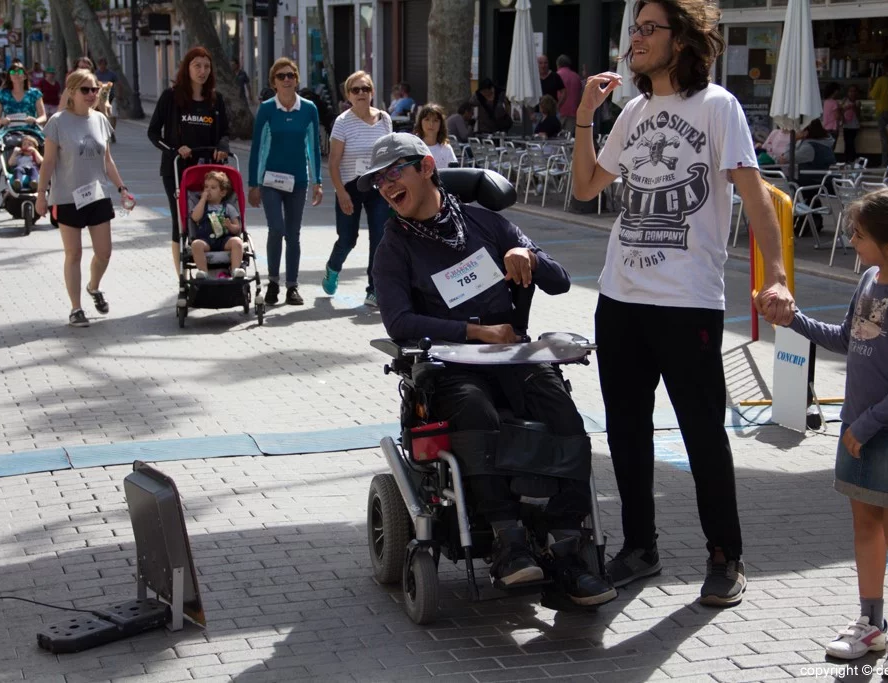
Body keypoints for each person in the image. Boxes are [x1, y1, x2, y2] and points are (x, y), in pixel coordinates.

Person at [570, 0, 795, 606]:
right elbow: (586, 186)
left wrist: (776, 278)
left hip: (688, 302)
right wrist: (587, 116)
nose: (636, 38)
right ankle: (639, 548)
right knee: (626, 432)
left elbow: (758, 199)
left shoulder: (717, 106)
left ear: (682, 39)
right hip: (619, 298)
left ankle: (726, 555)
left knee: (702, 434)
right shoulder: (635, 110)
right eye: (634, 29)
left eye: (648, 28)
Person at [366, 132, 617, 607]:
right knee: (474, 408)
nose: (384, 185)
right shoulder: (394, 246)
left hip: (512, 358)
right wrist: (475, 333)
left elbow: (560, 281)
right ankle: (509, 543)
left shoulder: (484, 222)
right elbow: (398, 322)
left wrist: (530, 256)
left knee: (563, 415)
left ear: (424, 166)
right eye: (377, 180)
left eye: (393, 172)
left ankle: (568, 549)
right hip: (448, 366)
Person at [780, 188, 888, 680]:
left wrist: (868, 424)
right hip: (859, 431)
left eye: (859, 234)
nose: (851, 241)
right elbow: (849, 339)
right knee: (865, 526)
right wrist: (794, 321)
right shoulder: (870, 279)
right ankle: (870, 623)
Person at [35, 69, 130, 328]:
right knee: (73, 253)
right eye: (85, 90)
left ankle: (93, 286)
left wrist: (122, 188)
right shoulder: (57, 122)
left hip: (97, 195)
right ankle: (76, 309)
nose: (91, 94)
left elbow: (107, 160)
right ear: (72, 92)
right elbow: (49, 162)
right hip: (66, 196)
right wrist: (41, 195)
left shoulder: (100, 119)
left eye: (94, 90)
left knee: (104, 253)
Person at [148, 47, 230, 275]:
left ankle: (215, 268)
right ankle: (182, 277)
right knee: (181, 223)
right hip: (176, 170)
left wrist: (223, 147)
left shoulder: (216, 100)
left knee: (212, 217)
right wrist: (175, 149)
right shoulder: (171, 97)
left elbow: (224, 132)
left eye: (206, 66)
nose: (202, 71)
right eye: (197, 66)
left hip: (208, 172)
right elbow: (153, 133)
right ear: (187, 68)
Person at [248, 57, 323, 306]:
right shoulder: (267, 109)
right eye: (281, 76)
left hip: (298, 181)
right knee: (276, 229)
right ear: (274, 82)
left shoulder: (309, 109)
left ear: (297, 79)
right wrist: (253, 184)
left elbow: (313, 146)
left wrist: (317, 181)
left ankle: (292, 286)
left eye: (291, 75)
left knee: (293, 234)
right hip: (270, 180)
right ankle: (272, 283)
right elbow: (257, 148)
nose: (287, 79)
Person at [322, 70, 391, 305]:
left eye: (365, 89)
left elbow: (389, 155)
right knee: (348, 238)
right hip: (350, 186)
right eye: (356, 90)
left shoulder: (384, 119)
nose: (361, 93)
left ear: (372, 92)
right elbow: (333, 162)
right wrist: (341, 192)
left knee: (380, 237)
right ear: (348, 95)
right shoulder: (342, 123)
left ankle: (374, 288)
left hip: (378, 186)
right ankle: (333, 267)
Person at [188, 170, 245, 280]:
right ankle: (203, 272)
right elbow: (195, 217)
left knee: (237, 242)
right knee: (196, 244)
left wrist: (230, 226)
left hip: (224, 239)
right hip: (206, 240)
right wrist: (203, 199)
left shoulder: (228, 208)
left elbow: (237, 228)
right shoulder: (202, 206)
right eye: (206, 187)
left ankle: (235, 270)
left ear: (222, 193)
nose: (208, 190)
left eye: (213, 188)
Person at [0, 59, 46, 131]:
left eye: (19, 72)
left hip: (31, 131)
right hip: (9, 132)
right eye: (12, 72)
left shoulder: (35, 93)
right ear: (9, 77)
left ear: (25, 76)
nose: (16, 74)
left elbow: (43, 116)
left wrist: (35, 121)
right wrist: (1, 121)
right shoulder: (3, 94)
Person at [414, 102, 456, 170]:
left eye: (435, 120)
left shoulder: (446, 148)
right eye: (427, 119)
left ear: (441, 124)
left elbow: (454, 173)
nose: (431, 124)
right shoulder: (413, 147)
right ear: (420, 122)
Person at [556, 55, 582, 134]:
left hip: (559, 112)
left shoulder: (556, 76)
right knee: (569, 138)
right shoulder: (576, 77)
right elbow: (580, 95)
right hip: (573, 112)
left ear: (558, 64)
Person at [94, 58, 118, 140]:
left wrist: (119, 95)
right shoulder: (95, 75)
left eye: (104, 65)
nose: (102, 66)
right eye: (101, 65)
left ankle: (112, 132)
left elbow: (118, 84)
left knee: (113, 115)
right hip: (100, 98)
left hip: (111, 97)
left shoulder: (111, 74)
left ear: (106, 65)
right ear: (98, 65)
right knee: (100, 116)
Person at [842, 84, 862, 162]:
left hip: (854, 126)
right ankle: (847, 159)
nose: (852, 93)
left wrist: (854, 108)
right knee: (847, 143)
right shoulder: (845, 101)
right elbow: (840, 111)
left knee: (851, 142)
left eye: (854, 91)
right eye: (851, 91)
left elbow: (858, 115)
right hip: (846, 125)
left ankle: (852, 158)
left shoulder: (858, 102)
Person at [822, 82, 842, 146]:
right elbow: (837, 116)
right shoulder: (834, 103)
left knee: (827, 147)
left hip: (826, 128)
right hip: (833, 129)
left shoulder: (826, 102)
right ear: (835, 91)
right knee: (832, 148)